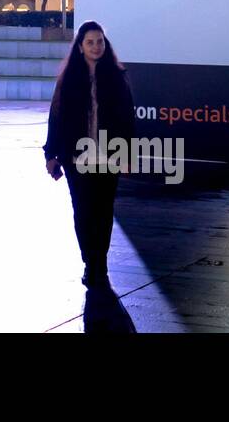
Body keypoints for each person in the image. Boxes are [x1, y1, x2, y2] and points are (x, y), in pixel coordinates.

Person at [44, 21, 136, 287]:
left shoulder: (117, 77)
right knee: (83, 212)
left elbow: (127, 118)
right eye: (90, 42)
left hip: (109, 156)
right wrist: (50, 154)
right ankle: (90, 261)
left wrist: (128, 154)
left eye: (100, 41)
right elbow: (56, 117)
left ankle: (100, 265)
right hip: (76, 158)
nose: (97, 46)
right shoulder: (69, 79)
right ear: (80, 47)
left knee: (104, 212)